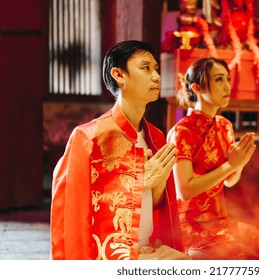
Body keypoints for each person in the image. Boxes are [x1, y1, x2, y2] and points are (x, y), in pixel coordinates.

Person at [50, 40, 189, 260]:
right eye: (145, 68)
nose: (156, 77)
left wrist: (158, 183)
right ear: (119, 74)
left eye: (156, 69)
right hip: (110, 256)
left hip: (149, 248)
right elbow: (71, 210)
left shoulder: (156, 136)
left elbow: (156, 205)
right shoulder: (89, 137)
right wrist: (142, 180)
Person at [167, 57, 259, 259]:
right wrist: (231, 164)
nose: (226, 86)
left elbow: (230, 181)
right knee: (242, 259)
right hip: (191, 227)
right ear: (197, 88)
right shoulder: (182, 131)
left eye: (227, 79)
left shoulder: (224, 126)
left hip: (220, 220)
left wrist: (239, 165)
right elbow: (185, 190)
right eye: (218, 80)